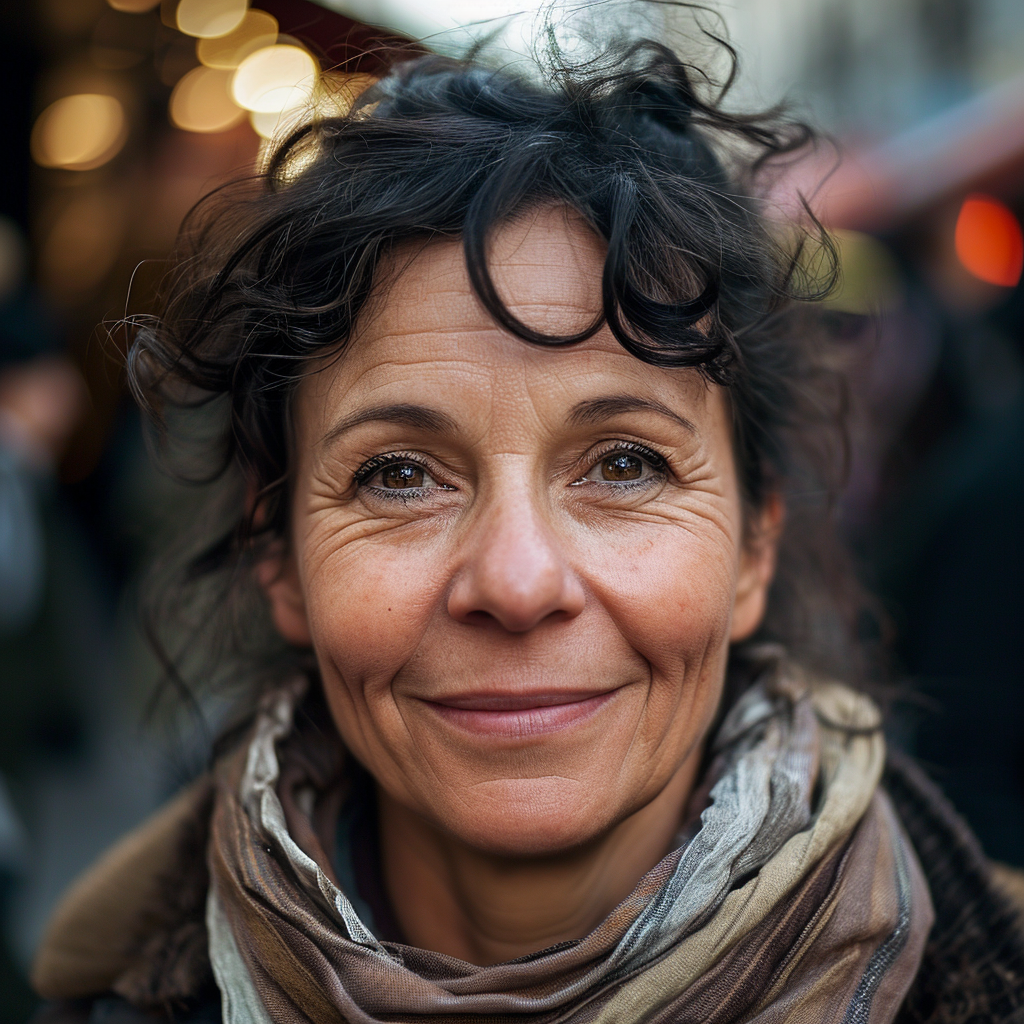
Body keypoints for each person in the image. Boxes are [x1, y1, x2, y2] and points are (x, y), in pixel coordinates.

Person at [26, 38, 1024, 1024]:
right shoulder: (110, 992)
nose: (515, 579)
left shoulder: (985, 975)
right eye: (400, 474)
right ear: (278, 554)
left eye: (624, 463)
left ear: (754, 546)